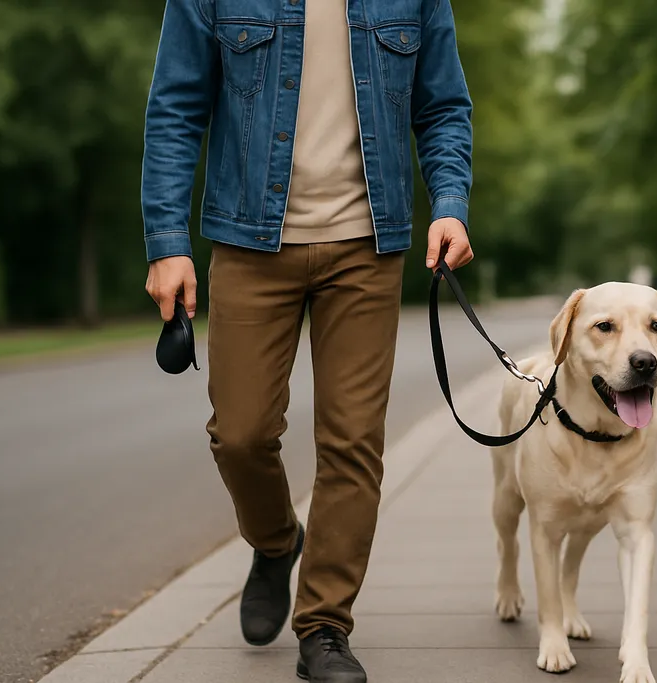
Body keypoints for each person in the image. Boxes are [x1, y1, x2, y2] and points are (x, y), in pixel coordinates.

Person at [140, 1, 473, 680]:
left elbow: (443, 107)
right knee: (240, 432)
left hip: (367, 245)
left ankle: (324, 626)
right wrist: (167, 242)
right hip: (247, 239)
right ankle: (275, 541)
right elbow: (175, 108)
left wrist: (449, 203)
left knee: (353, 440)